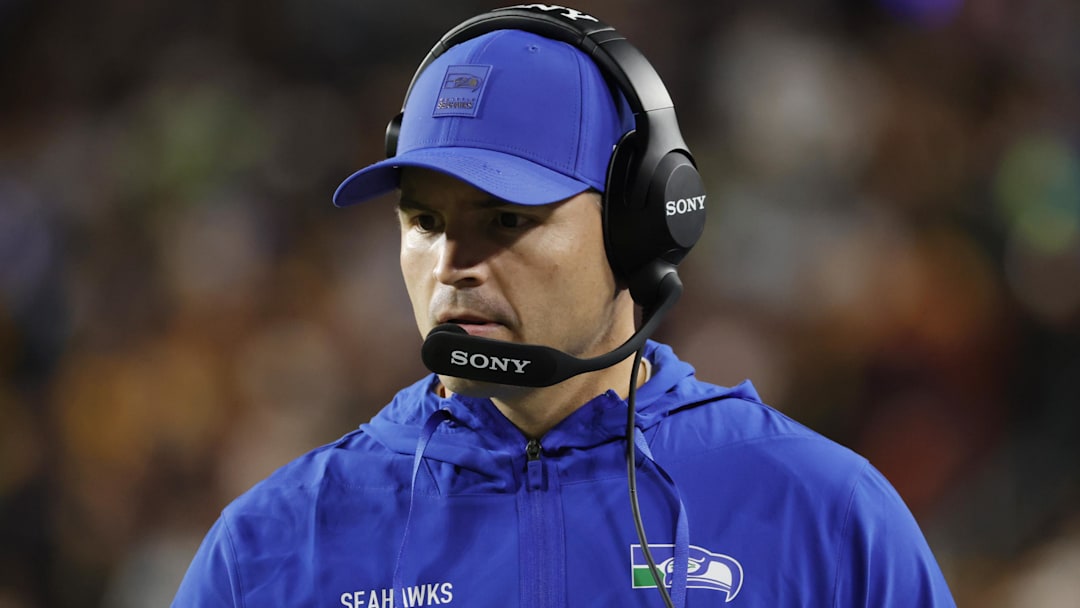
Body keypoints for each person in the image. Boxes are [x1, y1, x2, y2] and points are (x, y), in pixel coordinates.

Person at [173, 5, 956, 606]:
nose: (452, 265)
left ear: (639, 222)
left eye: (507, 220)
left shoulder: (822, 512)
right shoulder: (274, 545)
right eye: (425, 221)